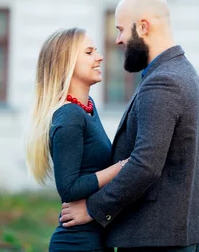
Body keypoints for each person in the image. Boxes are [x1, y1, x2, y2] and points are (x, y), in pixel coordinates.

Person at [60, 0, 199, 252]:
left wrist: (93, 209)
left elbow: (145, 165)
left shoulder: (163, 82)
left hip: (154, 239)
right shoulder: (183, 72)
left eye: (120, 30)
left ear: (143, 26)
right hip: (173, 236)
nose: (118, 40)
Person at [25, 27, 127, 252]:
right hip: (77, 243)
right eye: (89, 52)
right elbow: (68, 188)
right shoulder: (69, 115)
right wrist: (122, 167)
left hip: (96, 237)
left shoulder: (88, 107)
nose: (99, 57)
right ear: (66, 63)